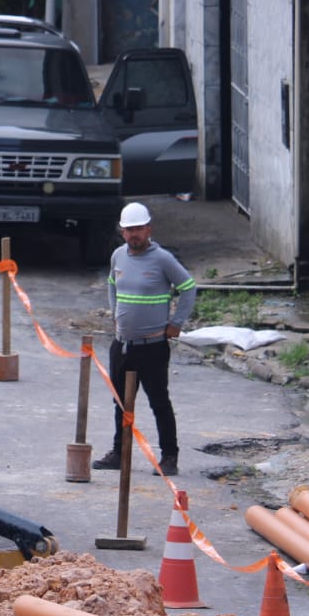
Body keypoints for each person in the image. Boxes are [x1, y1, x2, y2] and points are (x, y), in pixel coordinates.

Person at [92, 202, 197, 477]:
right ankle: (119, 452)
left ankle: (169, 457)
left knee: (159, 401)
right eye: (129, 230)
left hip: (153, 347)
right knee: (121, 402)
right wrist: (115, 313)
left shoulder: (162, 259)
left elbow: (188, 287)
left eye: (139, 229)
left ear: (149, 229)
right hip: (122, 345)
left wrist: (176, 323)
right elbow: (112, 285)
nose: (134, 235)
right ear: (122, 232)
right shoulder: (118, 256)